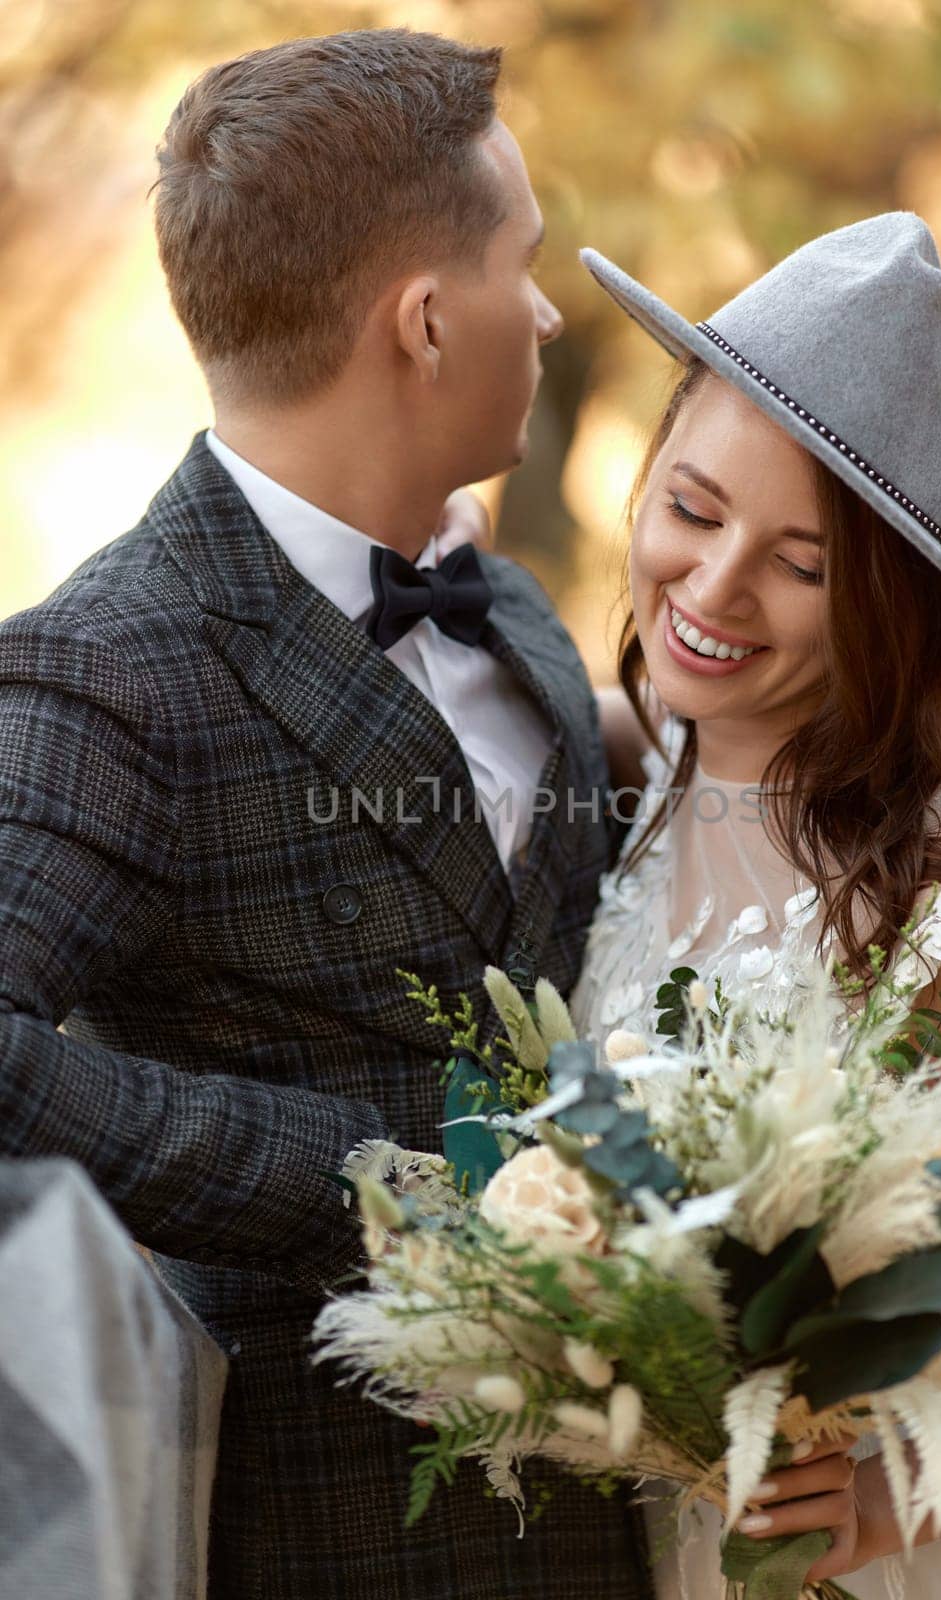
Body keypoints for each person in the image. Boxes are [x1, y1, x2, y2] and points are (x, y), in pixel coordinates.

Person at [0, 29, 653, 1600]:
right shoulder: (107, 668)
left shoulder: (507, 605)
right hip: (321, 1545)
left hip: (629, 1524)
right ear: (426, 322)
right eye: (527, 261)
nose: (551, 307)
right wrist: (400, 1185)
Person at [566, 214, 941, 1596]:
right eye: (692, 507)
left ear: (897, 605)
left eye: (802, 564)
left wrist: (871, 1505)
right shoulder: (648, 764)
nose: (712, 591)